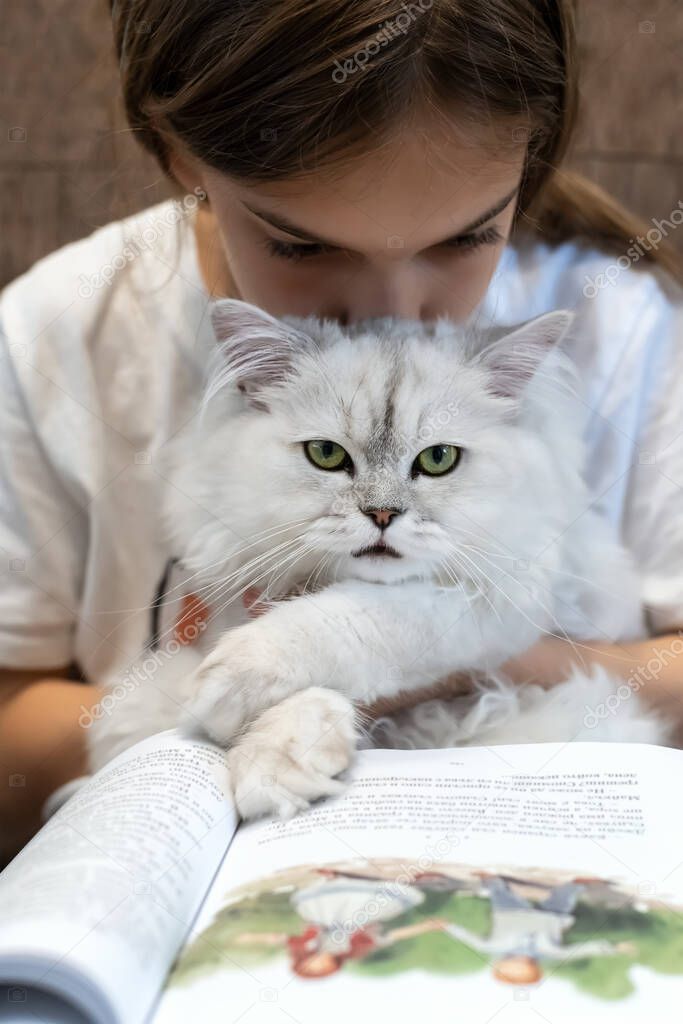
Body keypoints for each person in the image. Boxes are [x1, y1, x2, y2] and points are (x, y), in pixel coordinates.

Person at [2, 0, 683, 859]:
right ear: (180, 156)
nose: (389, 314)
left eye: (466, 236)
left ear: (531, 158)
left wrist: (428, 655)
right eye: (299, 246)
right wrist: (250, 708)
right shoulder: (54, 336)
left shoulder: (624, 326)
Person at [442, 873, 637, 985]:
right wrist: (614, 947)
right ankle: (577, 885)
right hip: (550, 917)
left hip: (511, 913)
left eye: (509, 970)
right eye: (522, 971)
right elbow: (581, 950)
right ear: (533, 969)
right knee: (564, 896)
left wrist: (448, 926)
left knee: (498, 891)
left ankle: (491, 882)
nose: (516, 965)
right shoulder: (552, 953)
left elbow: (469, 939)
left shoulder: (491, 948)